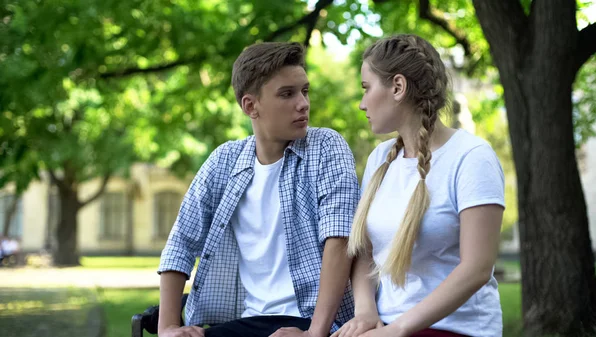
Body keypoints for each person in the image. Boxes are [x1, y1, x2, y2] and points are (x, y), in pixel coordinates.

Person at [157, 41, 360, 337]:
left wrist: (313, 335)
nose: (303, 103)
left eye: (305, 91)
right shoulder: (224, 161)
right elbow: (181, 242)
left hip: (315, 323)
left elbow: (339, 239)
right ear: (251, 106)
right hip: (244, 322)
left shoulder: (326, 146)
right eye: (287, 94)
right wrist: (168, 327)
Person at [332, 34, 505, 337]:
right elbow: (365, 252)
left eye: (366, 88)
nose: (361, 104)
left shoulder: (472, 158)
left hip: (456, 328)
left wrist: (397, 330)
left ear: (397, 87)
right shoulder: (379, 159)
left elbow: (477, 268)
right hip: (388, 324)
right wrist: (365, 313)